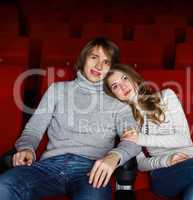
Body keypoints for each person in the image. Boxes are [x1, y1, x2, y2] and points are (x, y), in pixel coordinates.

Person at [0, 37, 141, 200]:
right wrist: (26, 148)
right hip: (48, 167)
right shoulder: (57, 90)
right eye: (94, 57)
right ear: (84, 58)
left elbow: (133, 140)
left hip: (91, 171)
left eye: (106, 62)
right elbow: (33, 130)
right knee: (4, 186)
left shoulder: (118, 103)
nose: (98, 66)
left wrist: (114, 156)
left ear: (111, 69)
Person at [104, 64, 193, 200]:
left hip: (192, 161)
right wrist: (167, 160)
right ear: (113, 95)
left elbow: (183, 139)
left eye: (124, 78)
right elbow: (141, 164)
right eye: (115, 86)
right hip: (163, 175)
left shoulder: (167, 96)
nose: (123, 86)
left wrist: (141, 138)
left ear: (134, 78)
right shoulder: (124, 122)